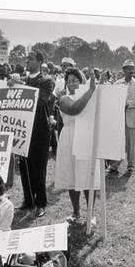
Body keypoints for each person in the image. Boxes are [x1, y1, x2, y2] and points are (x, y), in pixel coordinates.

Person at [54, 68, 99, 224]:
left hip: (86, 138)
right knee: (72, 175)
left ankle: (91, 214)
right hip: (69, 138)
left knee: (87, 176)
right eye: (69, 80)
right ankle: (76, 211)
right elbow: (74, 109)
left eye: (76, 80)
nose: (72, 83)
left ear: (82, 82)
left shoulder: (90, 97)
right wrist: (92, 90)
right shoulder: (64, 98)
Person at [18, 50, 55, 217]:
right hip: (23, 129)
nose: (27, 61)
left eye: (31, 59)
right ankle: (28, 200)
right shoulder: (22, 80)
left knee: (39, 166)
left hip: (40, 129)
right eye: (27, 59)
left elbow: (39, 100)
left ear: (40, 62)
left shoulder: (46, 81)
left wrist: (19, 87)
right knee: (24, 165)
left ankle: (40, 202)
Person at [108, 60, 135, 174]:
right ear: (123, 70)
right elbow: (113, 99)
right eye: (128, 68)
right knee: (117, 141)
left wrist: (128, 104)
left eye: (132, 68)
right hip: (119, 118)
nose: (131, 71)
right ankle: (114, 164)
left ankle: (131, 165)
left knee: (131, 143)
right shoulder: (117, 83)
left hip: (131, 118)